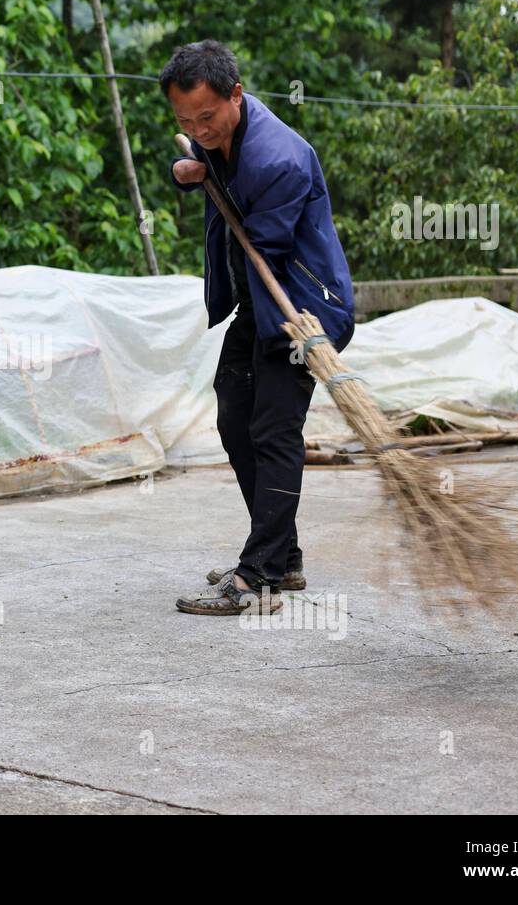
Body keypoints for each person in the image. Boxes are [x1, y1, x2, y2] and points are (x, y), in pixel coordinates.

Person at [161, 40, 355, 617]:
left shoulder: (278, 160)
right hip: (259, 302)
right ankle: (283, 555)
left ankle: (262, 573)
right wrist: (187, 170)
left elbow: (263, 246)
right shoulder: (216, 130)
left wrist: (208, 173)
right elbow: (201, 163)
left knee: (272, 429)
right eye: (186, 120)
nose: (199, 127)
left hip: (300, 309)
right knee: (234, 412)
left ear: (236, 96)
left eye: (207, 117)